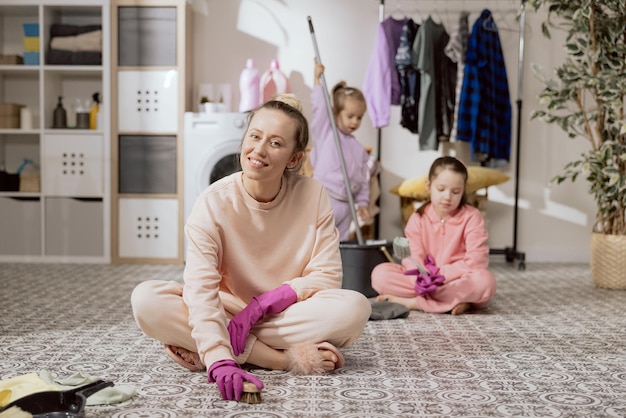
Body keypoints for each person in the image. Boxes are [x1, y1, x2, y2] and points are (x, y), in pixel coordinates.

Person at [131, 94, 371, 402]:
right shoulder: (213, 201)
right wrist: (219, 361)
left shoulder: (314, 195)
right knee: (147, 301)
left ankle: (209, 343)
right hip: (227, 307)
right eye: (254, 136)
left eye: (275, 143)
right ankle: (276, 358)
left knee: (355, 308)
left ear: (294, 158)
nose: (258, 150)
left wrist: (262, 305)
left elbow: (326, 277)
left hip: (285, 313)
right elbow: (200, 288)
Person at [371, 156, 496, 315]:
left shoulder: (472, 216)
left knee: (485, 282)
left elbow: (476, 261)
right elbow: (412, 257)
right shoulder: (417, 218)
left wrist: (441, 275)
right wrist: (423, 278)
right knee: (380, 274)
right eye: (441, 189)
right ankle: (454, 302)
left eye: (456, 191)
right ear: (429, 186)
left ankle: (415, 303)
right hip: (424, 280)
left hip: (456, 280)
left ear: (463, 190)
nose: (447, 197)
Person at [310, 60, 372, 241]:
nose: (355, 122)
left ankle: (337, 269)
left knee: (340, 247)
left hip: (347, 206)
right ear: (336, 112)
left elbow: (363, 180)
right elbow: (320, 108)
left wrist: (362, 203)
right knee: (318, 242)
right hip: (325, 200)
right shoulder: (327, 133)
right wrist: (317, 81)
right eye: (350, 116)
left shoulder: (359, 149)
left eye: (359, 117)